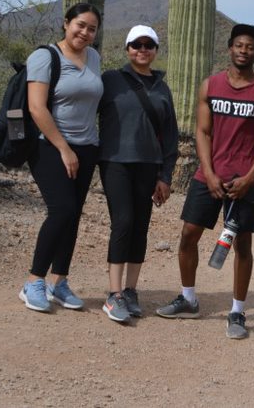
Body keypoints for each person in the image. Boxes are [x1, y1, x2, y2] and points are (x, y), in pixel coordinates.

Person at [156, 24, 254, 341]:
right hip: (208, 175)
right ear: (229, 48)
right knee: (188, 235)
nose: (243, 50)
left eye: (250, 47)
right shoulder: (210, 85)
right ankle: (188, 298)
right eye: (238, 45)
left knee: (242, 246)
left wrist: (252, 178)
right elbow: (203, 132)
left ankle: (237, 310)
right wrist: (209, 173)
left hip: (246, 180)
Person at [19, 2, 104, 313]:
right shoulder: (44, 57)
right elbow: (36, 108)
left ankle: (59, 282)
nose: (84, 32)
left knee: (73, 214)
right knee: (61, 209)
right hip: (50, 145)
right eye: (80, 24)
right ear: (66, 23)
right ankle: (33, 281)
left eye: (91, 28)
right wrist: (63, 148)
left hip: (87, 147)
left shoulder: (93, 57)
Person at [97, 25, 179, 323]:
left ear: (156, 50)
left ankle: (131, 290)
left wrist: (165, 176)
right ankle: (114, 294)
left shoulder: (161, 87)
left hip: (148, 165)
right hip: (115, 161)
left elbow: (170, 136)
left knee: (141, 226)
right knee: (124, 221)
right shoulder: (110, 80)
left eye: (148, 45)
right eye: (136, 44)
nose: (142, 50)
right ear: (127, 48)